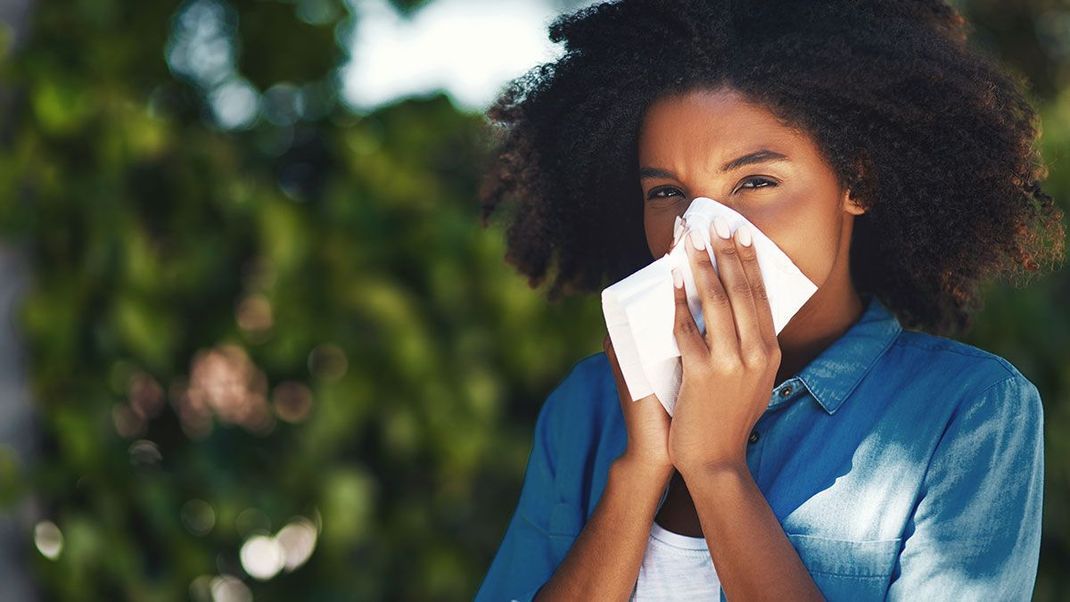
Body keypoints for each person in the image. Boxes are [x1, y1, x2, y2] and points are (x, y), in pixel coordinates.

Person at [473, 1, 1065, 600]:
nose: (700, 228)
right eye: (668, 191)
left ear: (856, 180)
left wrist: (715, 470)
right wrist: (640, 470)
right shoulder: (587, 405)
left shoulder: (968, 411)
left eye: (755, 182)